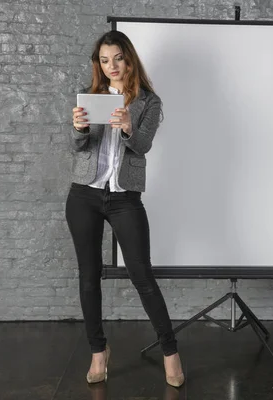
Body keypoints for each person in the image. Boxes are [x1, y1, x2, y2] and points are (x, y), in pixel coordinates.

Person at [67, 30, 184, 387]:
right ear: (98, 65)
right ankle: (98, 352)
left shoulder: (148, 101)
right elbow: (77, 146)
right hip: (84, 194)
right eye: (104, 60)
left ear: (129, 59)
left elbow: (143, 146)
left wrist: (131, 127)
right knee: (89, 278)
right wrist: (79, 128)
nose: (111, 66)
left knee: (142, 276)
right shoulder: (92, 97)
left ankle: (171, 352)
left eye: (118, 58)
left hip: (124, 198)